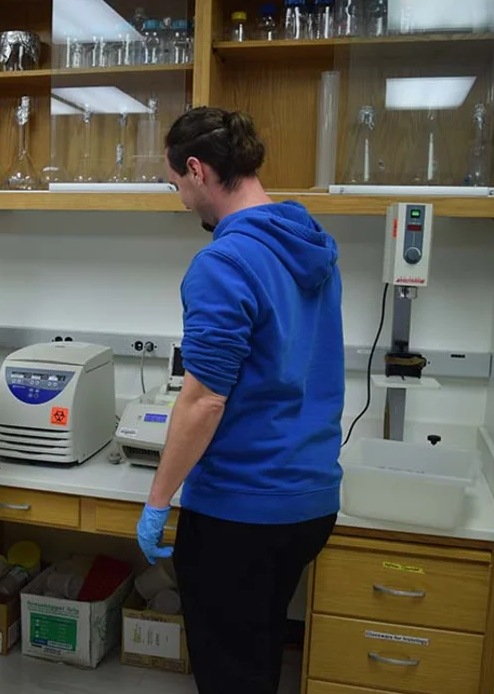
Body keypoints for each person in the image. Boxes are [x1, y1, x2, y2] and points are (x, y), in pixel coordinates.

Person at [136, 107, 345, 693]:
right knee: (259, 654)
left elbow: (203, 401)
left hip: (241, 509)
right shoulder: (311, 245)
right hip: (309, 500)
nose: (183, 200)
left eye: (177, 184)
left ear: (197, 170)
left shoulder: (223, 262)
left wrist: (157, 501)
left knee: (230, 672)